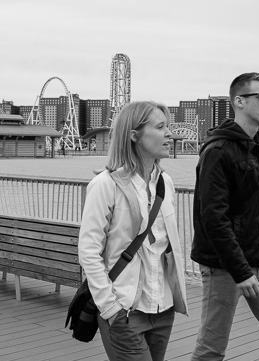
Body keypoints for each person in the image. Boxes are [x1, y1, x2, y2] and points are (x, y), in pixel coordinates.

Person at [191, 72, 259, 360]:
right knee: (212, 348)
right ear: (239, 101)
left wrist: (256, 262)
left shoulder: (255, 146)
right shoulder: (218, 151)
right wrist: (240, 270)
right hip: (224, 266)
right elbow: (213, 218)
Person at [78, 101, 188, 361]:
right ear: (134, 136)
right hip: (125, 309)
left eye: (168, 126)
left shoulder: (166, 183)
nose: (169, 134)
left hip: (163, 308)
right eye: (161, 127)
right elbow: (88, 251)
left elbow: (166, 245)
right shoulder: (105, 185)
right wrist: (109, 307)